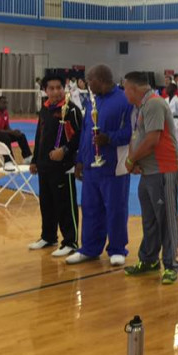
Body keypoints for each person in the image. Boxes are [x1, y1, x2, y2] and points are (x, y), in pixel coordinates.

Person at [66, 65, 133, 267]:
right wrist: (80, 160)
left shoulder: (125, 100)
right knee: (90, 208)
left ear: (101, 79)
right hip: (91, 166)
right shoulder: (92, 101)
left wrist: (109, 138)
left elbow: (132, 132)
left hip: (114, 167)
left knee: (115, 209)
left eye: (90, 80)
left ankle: (117, 249)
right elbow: (86, 132)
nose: (87, 84)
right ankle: (89, 248)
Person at [121, 72, 178, 284]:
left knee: (166, 218)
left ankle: (171, 264)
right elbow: (137, 137)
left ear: (134, 89)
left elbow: (152, 139)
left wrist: (131, 160)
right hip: (149, 170)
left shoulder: (154, 104)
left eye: (125, 88)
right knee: (149, 219)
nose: (124, 93)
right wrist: (133, 160)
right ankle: (149, 259)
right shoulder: (140, 107)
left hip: (164, 169)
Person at [28, 74, 83, 257]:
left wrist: (65, 150)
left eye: (59, 88)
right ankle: (48, 236)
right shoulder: (44, 109)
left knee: (65, 204)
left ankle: (70, 241)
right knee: (46, 203)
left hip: (63, 166)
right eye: (51, 88)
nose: (55, 92)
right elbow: (40, 135)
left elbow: (80, 136)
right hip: (45, 165)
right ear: (45, 90)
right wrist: (35, 159)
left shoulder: (71, 110)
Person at [0, 96, 32, 170]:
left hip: (0, 132)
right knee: (5, 137)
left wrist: (14, 132)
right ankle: (8, 161)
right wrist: (11, 132)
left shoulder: (5, 113)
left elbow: (7, 127)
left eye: (6, 103)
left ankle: (27, 157)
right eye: (3, 103)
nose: (5, 105)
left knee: (21, 135)